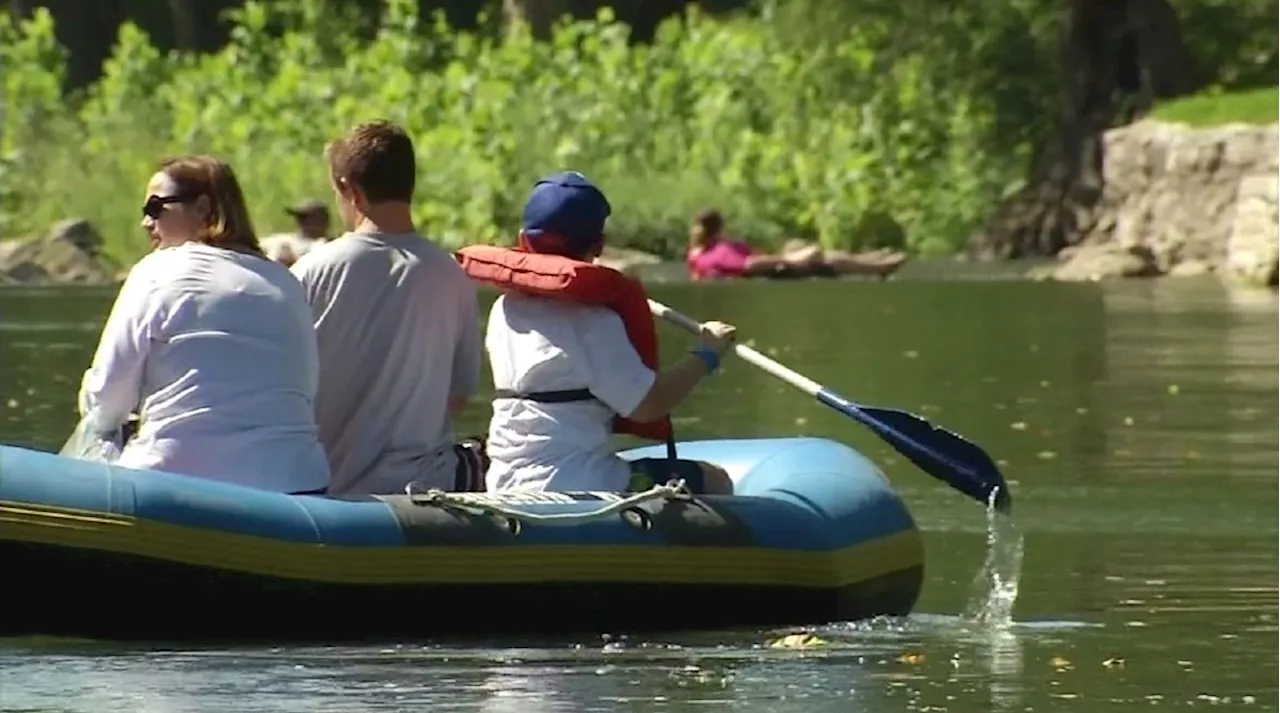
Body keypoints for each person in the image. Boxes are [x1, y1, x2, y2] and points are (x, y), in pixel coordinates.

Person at [465, 172, 736, 495]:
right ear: (599, 245)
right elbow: (649, 406)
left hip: (503, 482)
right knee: (715, 479)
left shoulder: (504, 309)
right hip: (577, 483)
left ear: (523, 240)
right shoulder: (594, 322)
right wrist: (707, 354)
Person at [75, 154, 330, 494]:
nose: (146, 223)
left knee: (98, 431)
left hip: (175, 483)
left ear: (202, 207)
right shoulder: (285, 282)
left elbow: (106, 403)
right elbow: (305, 392)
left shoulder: (156, 271)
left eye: (156, 207)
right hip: (297, 486)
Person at [290, 120, 483, 496]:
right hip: (421, 491)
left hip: (327, 487)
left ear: (349, 190)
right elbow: (457, 398)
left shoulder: (310, 272)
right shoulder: (451, 276)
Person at [686, 209, 908, 281]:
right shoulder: (720, 252)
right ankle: (878, 267)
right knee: (824, 259)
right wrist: (791, 259)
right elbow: (750, 265)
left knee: (797, 244)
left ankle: (870, 258)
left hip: (773, 264)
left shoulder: (699, 252)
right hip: (776, 272)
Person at [261, 198, 332, 267]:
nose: (300, 222)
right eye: (299, 218)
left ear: (322, 221)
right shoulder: (282, 239)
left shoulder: (327, 246)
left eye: (305, 218)